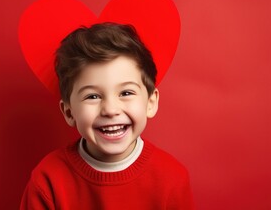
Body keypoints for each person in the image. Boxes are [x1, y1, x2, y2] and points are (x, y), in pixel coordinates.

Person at [20, 22, 194, 209]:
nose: (110, 110)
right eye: (92, 96)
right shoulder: (48, 180)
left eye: (126, 93)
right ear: (69, 112)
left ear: (150, 103)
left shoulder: (172, 179)